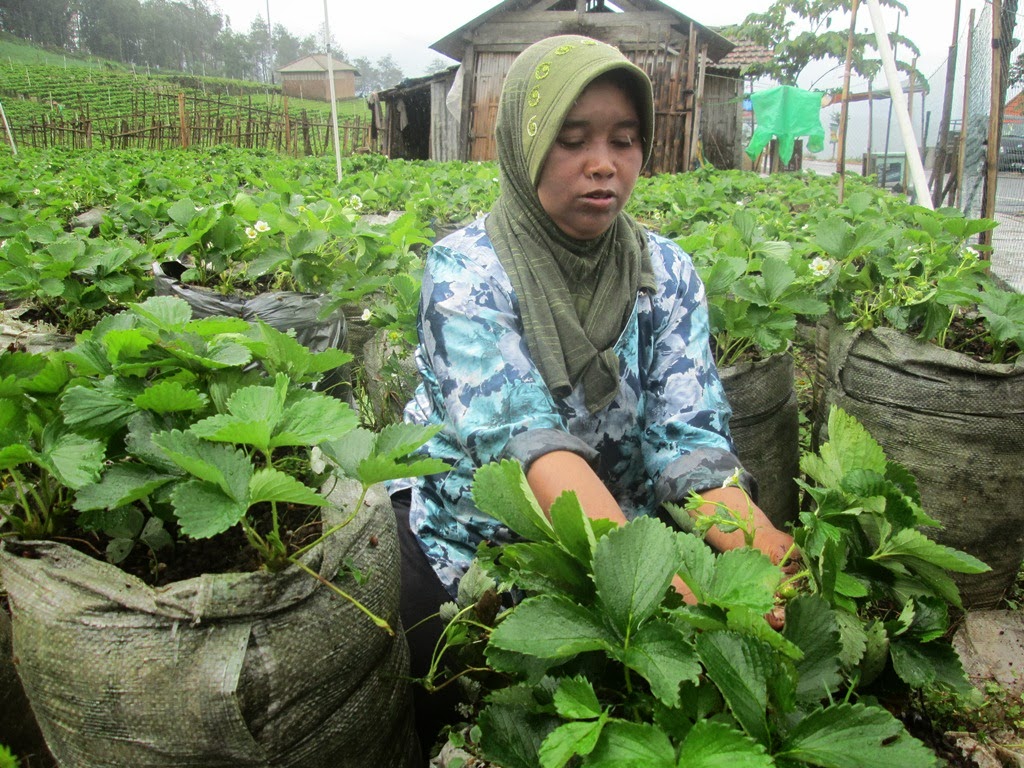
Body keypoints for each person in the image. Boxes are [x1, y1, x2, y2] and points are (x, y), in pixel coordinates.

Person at [388, 33, 796, 759]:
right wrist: (657, 585)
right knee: (436, 678)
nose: (604, 164)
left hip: (627, 531)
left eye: (624, 140)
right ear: (523, 145)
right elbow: (528, 452)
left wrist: (750, 546)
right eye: (572, 141)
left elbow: (688, 439)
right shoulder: (465, 275)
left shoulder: (665, 272)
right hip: (479, 543)